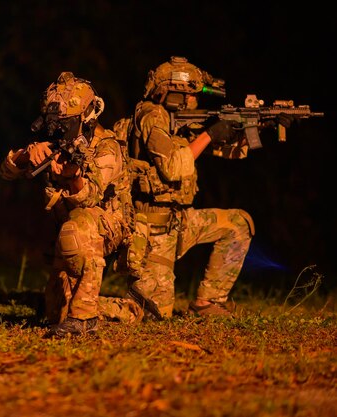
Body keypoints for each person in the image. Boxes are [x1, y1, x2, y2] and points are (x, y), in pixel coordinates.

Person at [114, 56, 289, 318]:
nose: (195, 101)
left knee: (239, 224)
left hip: (180, 220)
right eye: (192, 94)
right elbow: (172, 166)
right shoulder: (153, 117)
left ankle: (209, 302)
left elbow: (225, 150)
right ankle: (87, 307)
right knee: (154, 312)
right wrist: (211, 134)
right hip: (151, 229)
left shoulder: (176, 122)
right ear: (174, 93)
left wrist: (261, 125)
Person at [0, 72, 145, 337]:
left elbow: (89, 196)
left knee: (81, 222)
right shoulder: (55, 142)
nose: (58, 128)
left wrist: (73, 177)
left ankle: (84, 318)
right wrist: (25, 156)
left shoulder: (107, 147)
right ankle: (122, 309)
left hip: (108, 226)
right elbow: (6, 173)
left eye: (66, 122)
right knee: (55, 313)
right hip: (70, 228)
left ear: (87, 116)